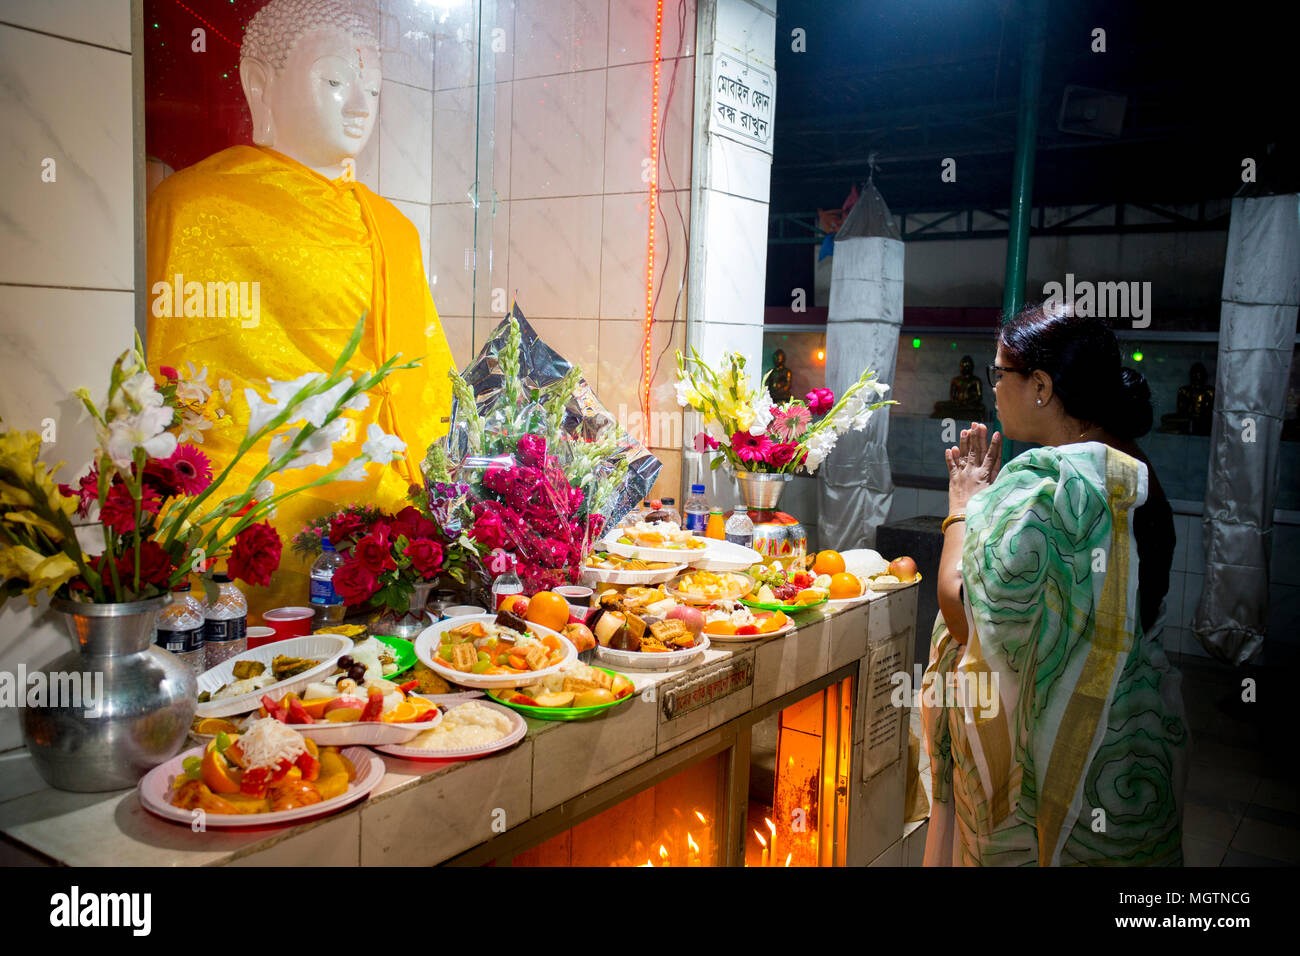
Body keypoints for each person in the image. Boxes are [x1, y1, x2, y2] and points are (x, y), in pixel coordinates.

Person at [146, 0, 455, 613]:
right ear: (259, 85)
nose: (361, 106)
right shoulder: (196, 206)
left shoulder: (393, 226)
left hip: (379, 527)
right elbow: (166, 378)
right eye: (335, 82)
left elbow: (427, 378)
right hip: (251, 526)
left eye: (372, 88)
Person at [923, 302, 1187, 866]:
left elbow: (961, 608)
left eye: (1001, 373)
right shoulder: (1131, 474)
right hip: (1125, 743)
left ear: (1040, 385)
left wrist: (964, 508)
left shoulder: (1052, 487)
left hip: (1052, 747)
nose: (993, 388)